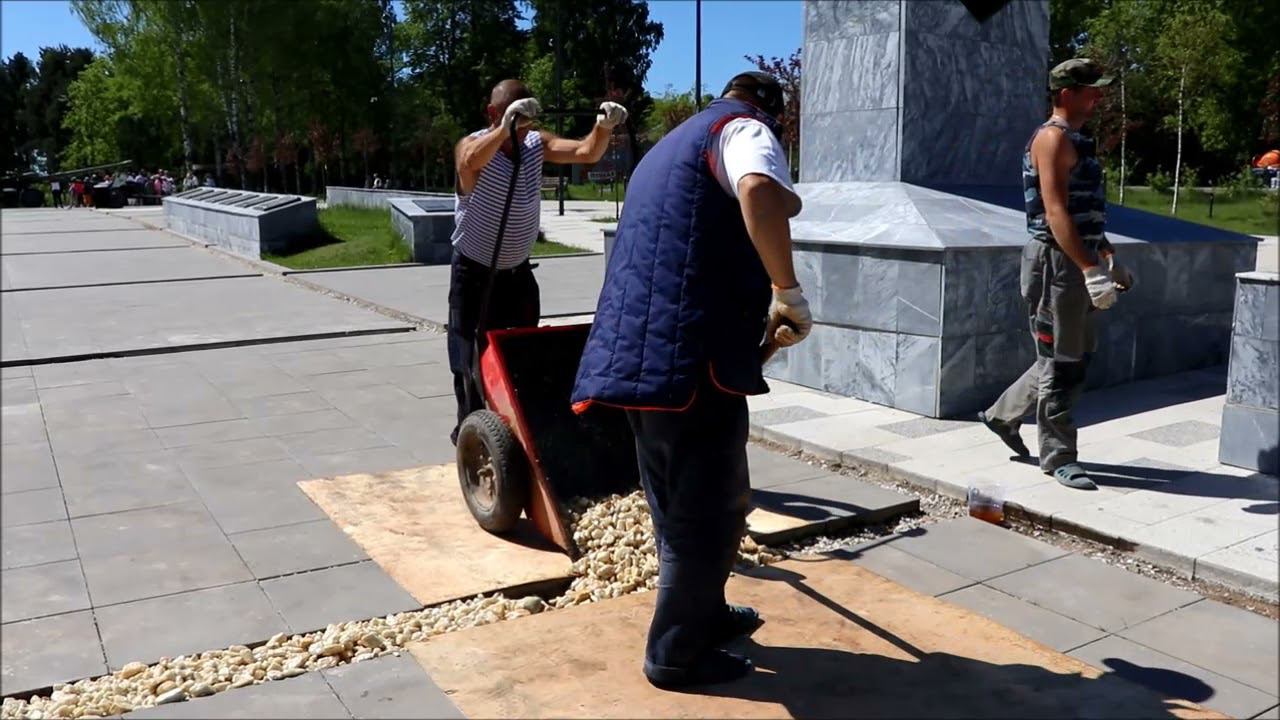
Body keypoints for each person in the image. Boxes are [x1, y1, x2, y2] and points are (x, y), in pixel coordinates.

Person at [571, 71, 812, 688]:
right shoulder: (743, 128)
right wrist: (787, 290)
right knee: (710, 507)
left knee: (675, 500)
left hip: (641, 354)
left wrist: (757, 337)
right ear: (772, 111)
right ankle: (676, 653)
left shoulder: (671, 145)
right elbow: (758, 188)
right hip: (688, 362)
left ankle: (703, 613)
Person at [978, 59, 1135, 491]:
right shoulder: (1052, 138)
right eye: (1091, 89)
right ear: (1066, 93)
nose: (1098, 96)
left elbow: (1083, 209)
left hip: (1076, 258)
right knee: (1063, 364)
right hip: (1056, 265)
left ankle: (1002, 415)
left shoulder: (1077, 139)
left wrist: (1106, 254)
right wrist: (1089, 270)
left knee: (1070, 355)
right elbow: (1055, 213)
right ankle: (1059, 457)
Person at [447, 79, 627, 444]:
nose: (522, 125)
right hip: (474, 273)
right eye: (514, 114)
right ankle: (471, 433)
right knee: (468, 357)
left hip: (517, 275)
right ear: (493, 113)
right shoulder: (473, 144)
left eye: (525, 115)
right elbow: (469, 162)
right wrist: (504, 129)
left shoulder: (534, 143)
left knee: (524, 352)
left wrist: (603, 127)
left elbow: (585, 152)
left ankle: (522, 428)